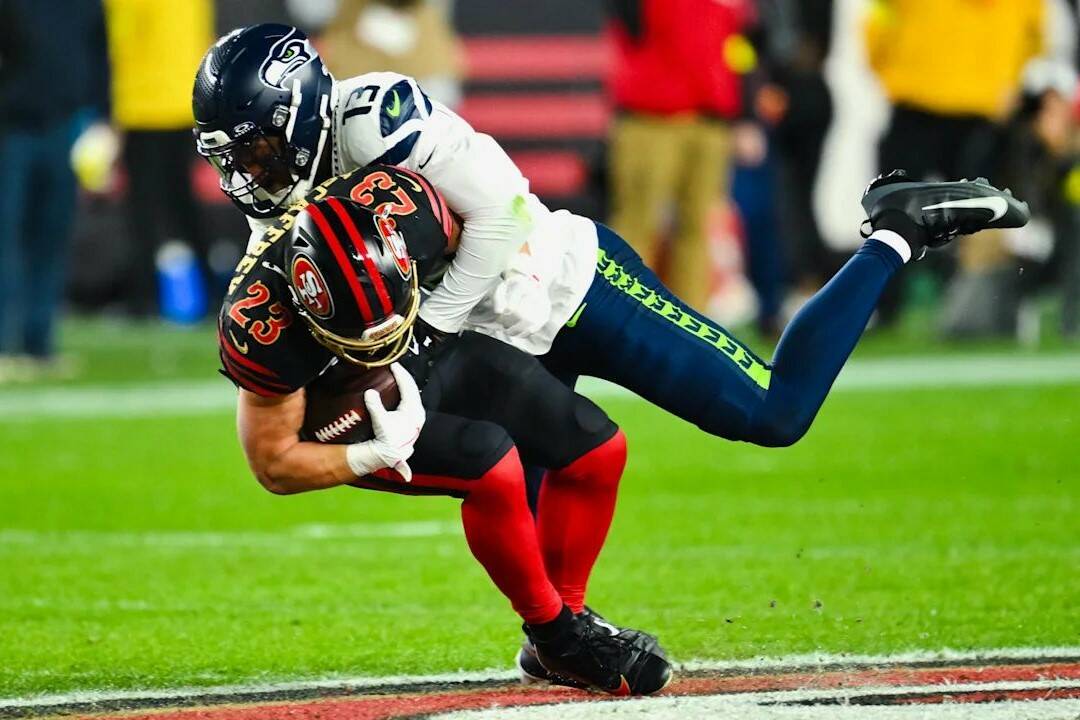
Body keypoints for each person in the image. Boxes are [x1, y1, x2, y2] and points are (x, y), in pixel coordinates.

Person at [194, 22, 1030, 675]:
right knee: (525, 477)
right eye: (231, 158)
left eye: (257, 149)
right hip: (486, 333)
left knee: (775, 412)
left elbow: (503, 215)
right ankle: (562, 638)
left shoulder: (377, 120)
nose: (247, 175)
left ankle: (895, 230)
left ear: (302, 112)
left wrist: (428, 333)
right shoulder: (280, 212)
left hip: (565, 286)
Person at [218, 164, 672, 696]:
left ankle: (564, 629)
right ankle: (560, 638)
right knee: (491, 463)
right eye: (361, 332)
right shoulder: (260, 325)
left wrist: (518, 278)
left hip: (431, 346)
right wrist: (372, 453)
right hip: (346, 410)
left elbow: (499, 220)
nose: (379, 337)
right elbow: (273, 464)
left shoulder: (410, 209)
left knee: (595, 445)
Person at [0, 0, 109, 380]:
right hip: (11, 126)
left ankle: (39, 344)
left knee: (51, 236)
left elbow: (98, 54)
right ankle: (4, 345)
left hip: (67, 124)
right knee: (6, 237)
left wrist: (104, 117)